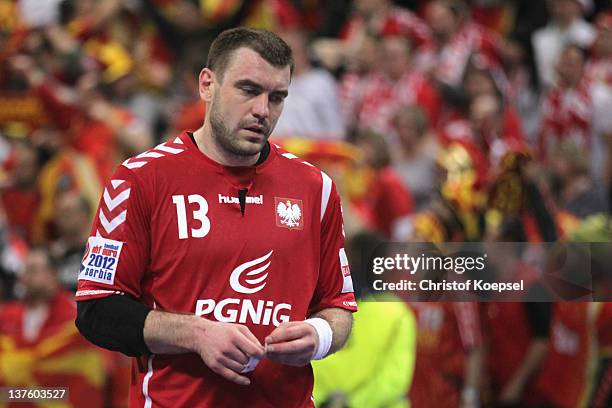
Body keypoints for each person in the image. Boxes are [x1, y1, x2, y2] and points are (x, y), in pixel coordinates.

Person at [74, 27, 357, 407]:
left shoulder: (315, 188)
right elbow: (96, 310)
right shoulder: (140, 179)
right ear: (207, 84)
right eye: (248, 90)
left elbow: (338, 306)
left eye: (277, 97)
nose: (263, 110)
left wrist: (320, 335)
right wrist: (195, 334)